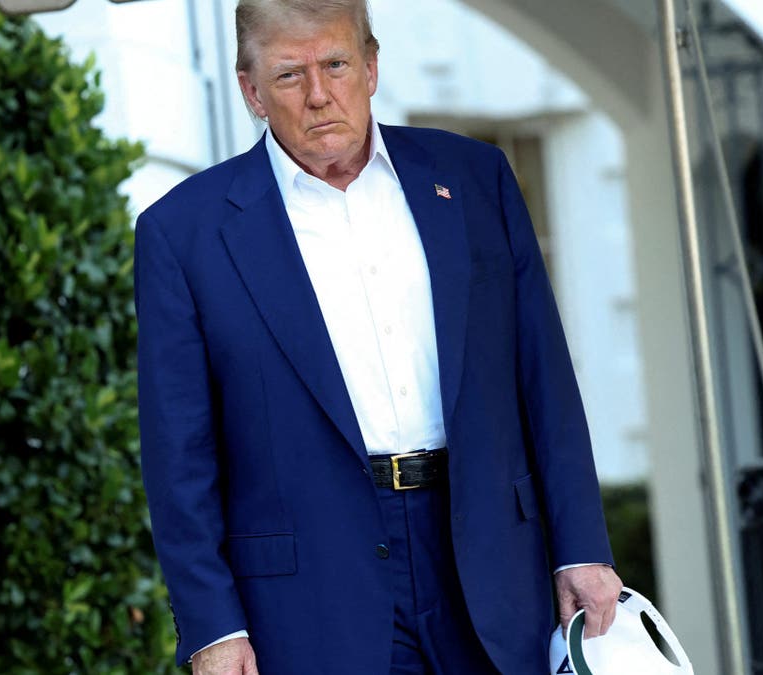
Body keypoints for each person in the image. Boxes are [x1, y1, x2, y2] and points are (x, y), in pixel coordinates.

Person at [134, 1, 622, 673]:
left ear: (370, 66)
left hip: (489, 557)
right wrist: (212, 626)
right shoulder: (182, 233)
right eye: (288, 75)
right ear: (250, 91)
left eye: (335, 64)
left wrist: (581, 548)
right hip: (311, 592)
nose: (317, 95)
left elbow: (544, 378)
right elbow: (178, 457)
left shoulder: (477, 180)